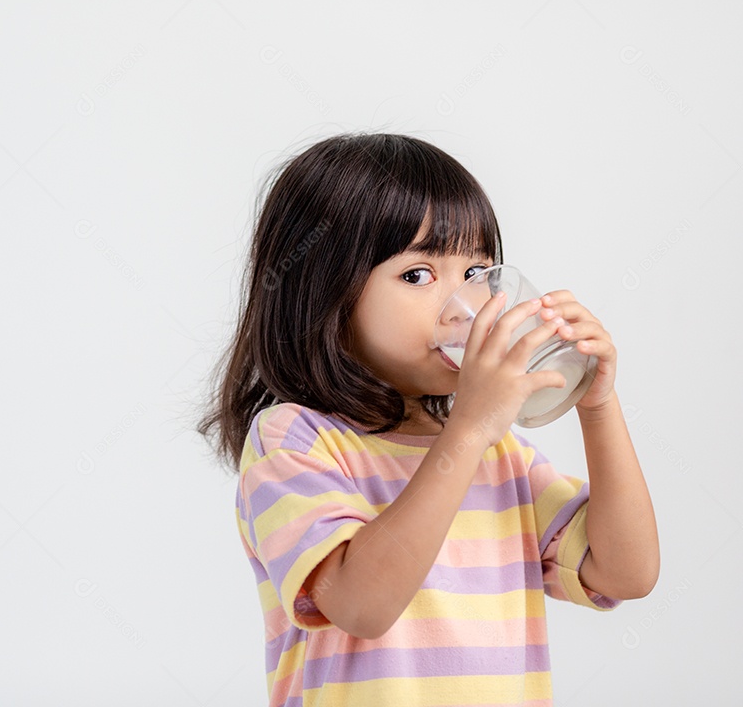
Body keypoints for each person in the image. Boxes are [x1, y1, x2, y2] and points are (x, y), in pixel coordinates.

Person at [195, 132, 660, 706]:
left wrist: (598, 406)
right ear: (326, 293)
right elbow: (362, 606)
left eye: (477, 272)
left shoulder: (500, 457)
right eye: (418, 275)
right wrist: (469, 431)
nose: (463, 307)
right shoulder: (294, 440)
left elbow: (627, 573)